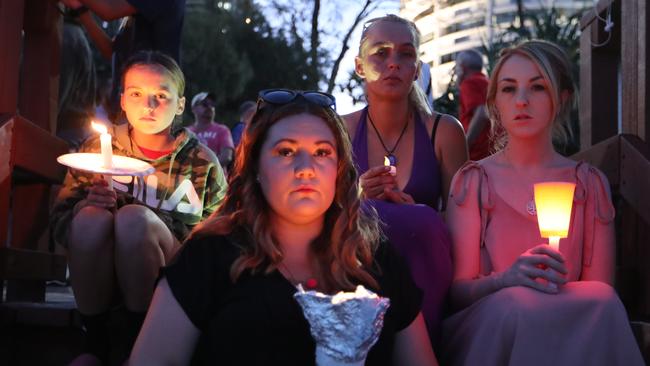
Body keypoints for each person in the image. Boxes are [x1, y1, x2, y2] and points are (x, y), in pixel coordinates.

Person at [129, 89, 438, 366]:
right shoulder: (207, 257)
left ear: (339, 169)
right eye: (286, 151)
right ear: (256, 168)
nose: (305, 169)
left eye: (322, 152)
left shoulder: (376, 260)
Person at [441, 40, 644, 365]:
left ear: (561, 98)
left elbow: (598, 292)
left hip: (569, 331)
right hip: (494, 325)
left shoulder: (588, 185)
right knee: (520, 304)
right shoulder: (475, 182)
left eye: (537, 87)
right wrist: (506, 279)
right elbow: (458, 292)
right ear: (494, 102)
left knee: (604, 300)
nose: (522, 101)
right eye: (509, 89)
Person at [50, 51, 227, 365]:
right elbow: (61, 223)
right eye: (136, 94)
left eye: (161, 95)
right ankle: (96, 338)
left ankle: (139, 339)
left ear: (181, 105)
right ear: (122, 100)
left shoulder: (201, 162)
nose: (149, 105)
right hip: (101, 276)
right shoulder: (95, 151)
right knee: (90, 218)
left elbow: (222, 236)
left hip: (168, 280)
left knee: (133, 219)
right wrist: (85, 207)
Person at [343, 14, 468, 344]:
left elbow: (462, 224)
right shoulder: (340, 131)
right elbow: (320, 213)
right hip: (357, 272)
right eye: (381, 53)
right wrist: (357, 194)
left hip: (425, 276)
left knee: (420, 220)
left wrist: (415, 214)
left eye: (405, 54)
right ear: (359, 66)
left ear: (417, 68)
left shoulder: (444, 131)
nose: (393, 63)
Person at [59, 0, 186, 120]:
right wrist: (81, 10)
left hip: (151, 110)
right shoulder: (132, 14)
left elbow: (109, 10)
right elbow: (111, 51)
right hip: (126, 110)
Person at [456, 49, 492, 161]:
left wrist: (465, 144)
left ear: (462, 67)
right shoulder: (487, 82)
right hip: (490, 150)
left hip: (476, 154)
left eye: (456, 66)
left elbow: (482, 113)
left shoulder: (469, 83)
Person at [188, 92, 235, 172]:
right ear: (193, 108)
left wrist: (204, 170)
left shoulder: (222, 130)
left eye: (212, 104)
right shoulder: (186, 132)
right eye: (205, 104)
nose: (209, 107)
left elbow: (227, 156)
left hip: (216, 181)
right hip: (191, 182)